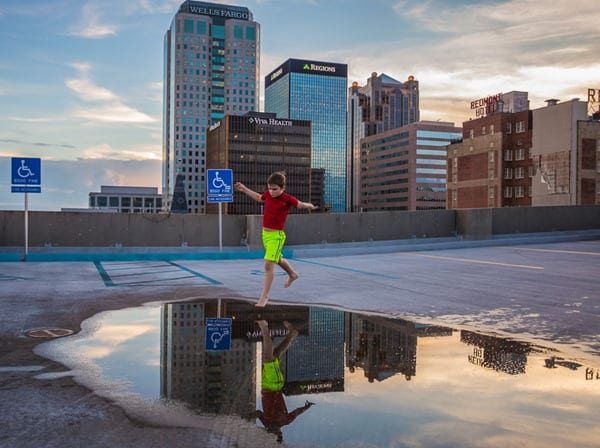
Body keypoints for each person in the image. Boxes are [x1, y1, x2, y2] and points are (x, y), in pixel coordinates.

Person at [234, 172, 317, 307]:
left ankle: (264, 297)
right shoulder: (267, 194)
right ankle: (292, 274)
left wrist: (310, 206)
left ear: (283, 188)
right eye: (270, 188)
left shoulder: (287, 199)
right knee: (277, 259)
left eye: (275, 189)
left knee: (268, 264)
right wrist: (244, 189)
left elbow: (300, 204)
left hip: (276, 237)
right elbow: (259, 197)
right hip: (265, 234)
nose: (271, 192)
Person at [255, 320, 315, 443]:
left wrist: (246, 418)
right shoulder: (285, 421)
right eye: (276, 432)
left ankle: (292, 334)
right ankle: (264, 327)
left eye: (270, 432)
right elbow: (296, 413)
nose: (271, 430)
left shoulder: (266, 423)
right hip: (274, 385)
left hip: (266, 385)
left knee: (275, 354)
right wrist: (306, 407)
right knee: (268, 358)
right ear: (280, 432)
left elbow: (258, 412)